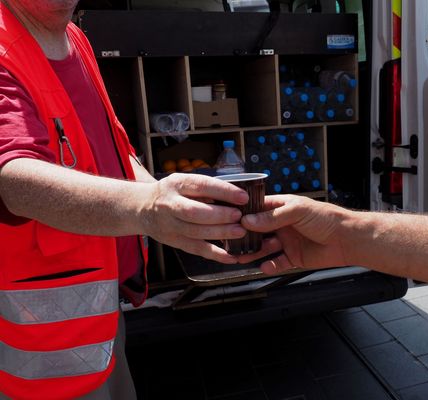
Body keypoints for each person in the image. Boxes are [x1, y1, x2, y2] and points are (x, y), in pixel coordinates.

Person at [0, 1, 249, 399]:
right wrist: (149, 208)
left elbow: (112, 147)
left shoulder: (73, 39)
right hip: (40, 344)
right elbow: (12, 178)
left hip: (94, 309)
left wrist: (173, 203)